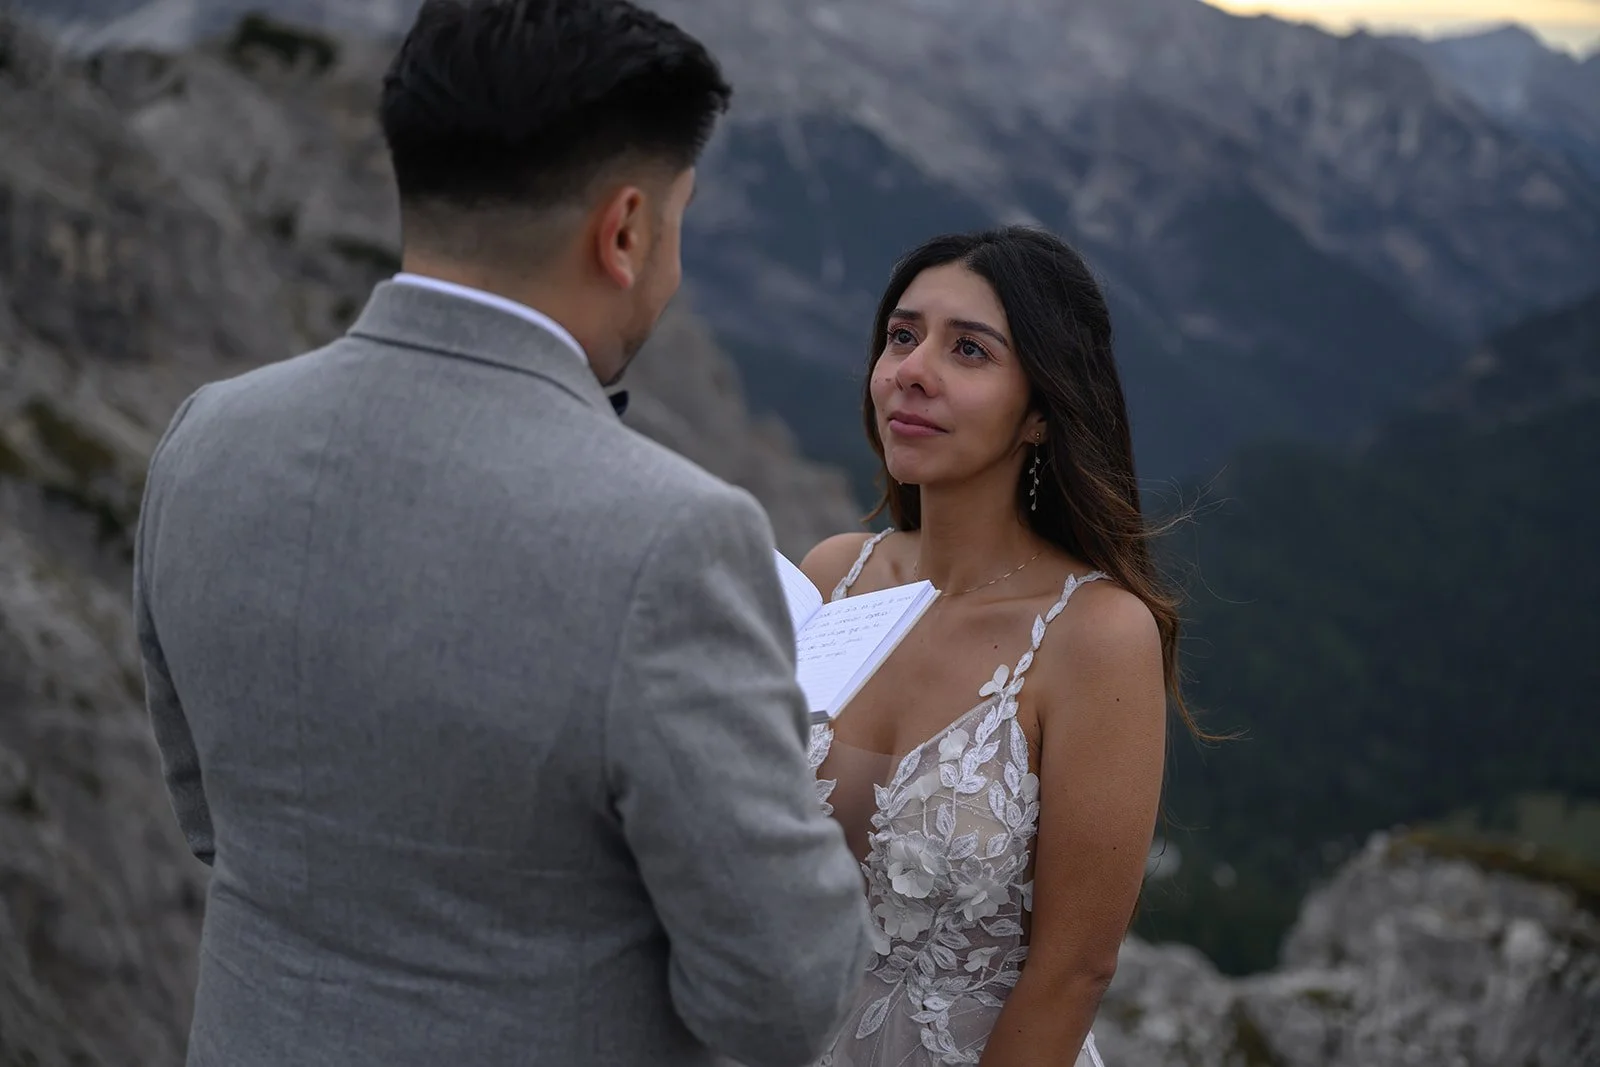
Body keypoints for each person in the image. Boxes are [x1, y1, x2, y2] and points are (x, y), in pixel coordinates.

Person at [131, 2, 870, 1065]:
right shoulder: (672, 537)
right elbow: (783, 993)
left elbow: (212, 817)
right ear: (622, 232)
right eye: (676, 223)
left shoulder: (204, 440)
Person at [798, 227, 1207, 1066]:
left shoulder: (1096, 634)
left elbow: (1075, 968)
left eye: (970, 350)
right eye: (902, 336)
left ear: (1044, 413)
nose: (912, 369)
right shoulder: (834, 573)